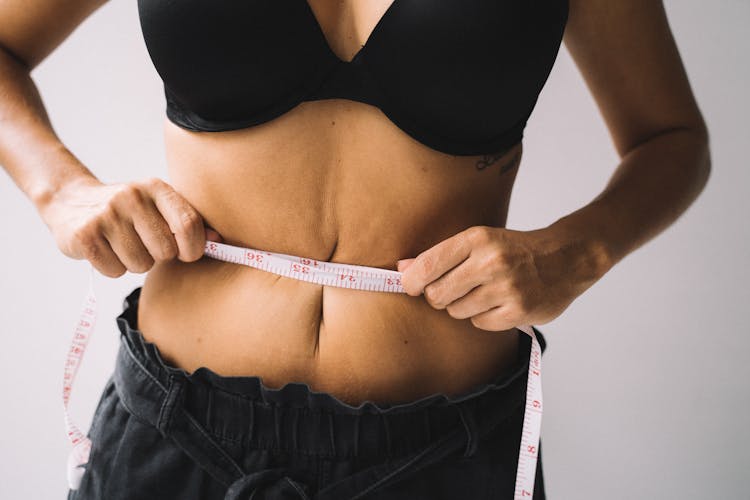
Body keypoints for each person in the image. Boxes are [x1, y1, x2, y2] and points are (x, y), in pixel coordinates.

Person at [0, 1, 710, 499]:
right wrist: (60, 191)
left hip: (441, 454)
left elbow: (672, 140)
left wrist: (577, 252)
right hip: (177, 429)